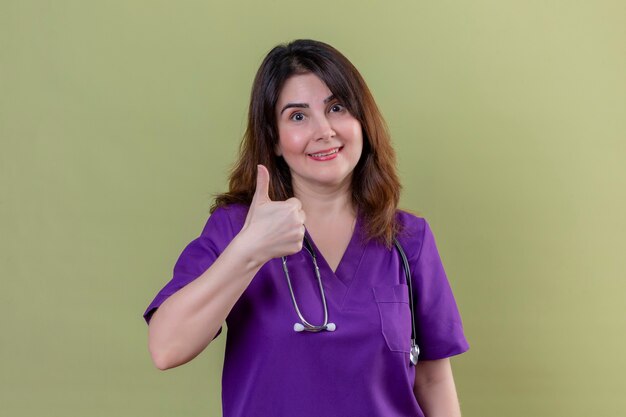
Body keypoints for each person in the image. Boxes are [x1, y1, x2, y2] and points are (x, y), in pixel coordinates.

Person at [143, 39, 469, 417]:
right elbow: (166, 348)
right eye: (298, 116)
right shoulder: (236, 229)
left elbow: (432, 379)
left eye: (337, 107)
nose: (324, 130)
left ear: (361, 121)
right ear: (275, 140)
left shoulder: (407, 239)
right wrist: (249, 251)